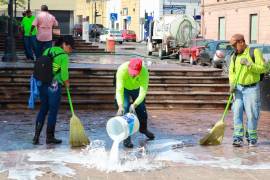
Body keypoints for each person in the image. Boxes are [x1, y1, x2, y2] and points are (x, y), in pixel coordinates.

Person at [32, 35, 74, 145]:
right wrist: (67, 84)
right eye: (70, 47)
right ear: (64, 44)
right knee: (53, 112)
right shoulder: (63, 56)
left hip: (42, 83)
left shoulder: (47, 50)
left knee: (43, 109)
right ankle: (49, 137)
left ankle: (36, 136)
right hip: (54, 85)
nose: (70, 50)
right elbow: (64, 75)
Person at [229, 34, 265, 147]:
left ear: (242, 42)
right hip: (238, 89)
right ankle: (237, 138)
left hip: (251, 89)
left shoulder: (254, 52)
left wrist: (250, 64)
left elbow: (263, 68)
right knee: (236, 113)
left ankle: (251, 137)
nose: (234, 48)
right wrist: (232, 84)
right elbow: (232, 72)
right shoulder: (234, 56)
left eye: (235, 45)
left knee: (252, 114)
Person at [115, 58, 155, 148]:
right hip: (124, 89)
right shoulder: (122, 70)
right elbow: (119, 90)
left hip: (137, 89)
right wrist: (120, 106)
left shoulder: (144, 72)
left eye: (135, 72)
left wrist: (135, 104)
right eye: (131, 72)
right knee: (125, 108)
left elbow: (143, 92)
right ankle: (126, 137)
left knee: (142, 110)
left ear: (140, 70)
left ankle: (143, 129)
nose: (133, 74)